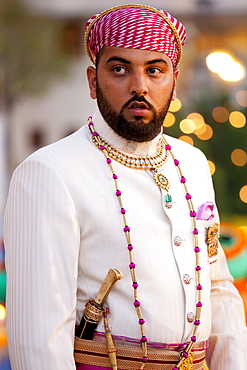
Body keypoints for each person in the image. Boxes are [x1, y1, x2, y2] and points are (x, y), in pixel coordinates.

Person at [4, 4, 247, 370]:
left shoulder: (193, 164)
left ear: (174, 81)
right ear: (92, 80)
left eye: (154, 70)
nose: (140, 86)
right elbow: (40, 340)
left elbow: (218, 291)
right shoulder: (49, 172)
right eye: (120, 69)